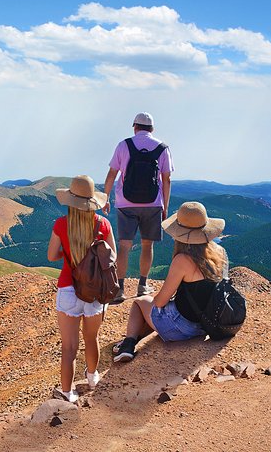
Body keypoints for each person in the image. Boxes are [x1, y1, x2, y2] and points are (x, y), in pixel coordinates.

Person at [112, 201, 227, 362]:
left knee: (140, 302)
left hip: (182, 328)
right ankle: (131, 341)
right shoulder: (220, 252)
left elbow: (160, 303)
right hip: (206, 324)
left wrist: (154, 299)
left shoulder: (183, 259)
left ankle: (128, 344)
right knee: (153, 308)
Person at [47, 175, 117, 401]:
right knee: (91, 338)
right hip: (95, 290)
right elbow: (112, 256)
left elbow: (51, 256)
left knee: (69, 348)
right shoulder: (103, 224)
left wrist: (68, 256)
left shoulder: (61, 224)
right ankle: (92, 377)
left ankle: (67, 393)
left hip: (68, 288)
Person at [103, 112, 174, 303]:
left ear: (134, 127)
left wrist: (106, 198)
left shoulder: (123, 145)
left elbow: (112, 174)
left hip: (126, 202)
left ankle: (120, 289)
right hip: (152, 204)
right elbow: (166, 180)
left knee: (124, 246)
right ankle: (143, 285)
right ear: (152, 129)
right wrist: (165, 206)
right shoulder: (162, 148)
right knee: (147, 244)